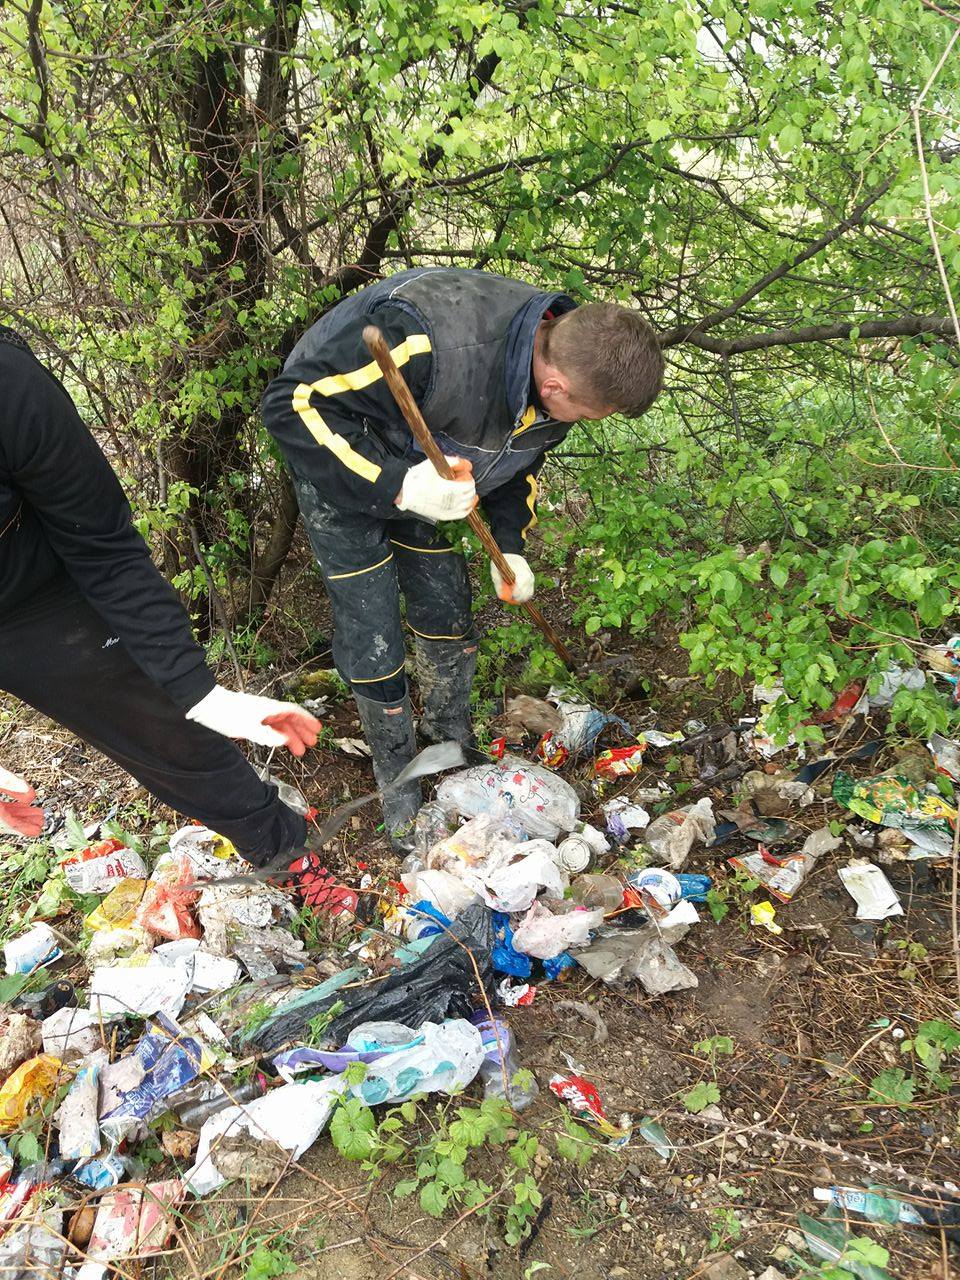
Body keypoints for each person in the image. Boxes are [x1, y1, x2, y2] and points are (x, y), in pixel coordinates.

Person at [262, 266, 664, 847]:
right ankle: (397, 776)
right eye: (587, 415)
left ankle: (447, 744)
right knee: (372, 626)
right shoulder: (423, 336)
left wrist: (511, 547)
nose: (580, 423)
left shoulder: (560, 377)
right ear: (556, 387)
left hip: (438, 470)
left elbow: (516, 464)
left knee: (446, 608)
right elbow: (291, 404)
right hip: (346, 469)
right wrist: (399, 485)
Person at [0, 325, 348, 911]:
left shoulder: (9, 387)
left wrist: (201, 696)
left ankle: (283, 852)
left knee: (164, 726)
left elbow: (105, 549)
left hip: (34, 598)